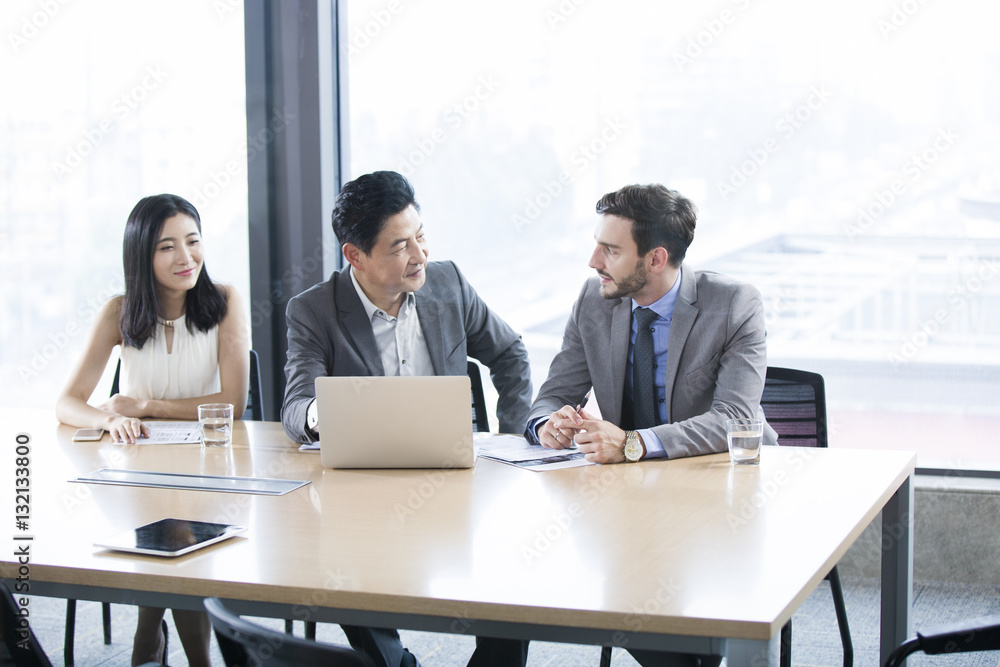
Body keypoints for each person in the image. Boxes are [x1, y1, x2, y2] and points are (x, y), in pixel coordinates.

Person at [281, 170, 532, 667]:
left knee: (514, 567)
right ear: (355, 255)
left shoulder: (449, 283)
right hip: (362, 493)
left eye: (420, 236)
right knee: (340, 568)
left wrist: (512, 436)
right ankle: (398, 664)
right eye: (399, 246)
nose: (419, 255)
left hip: (456, 479)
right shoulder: (313, 312)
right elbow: (294, 408)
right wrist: (322, 414)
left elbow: (510, 353)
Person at [525, 183, 776, 667]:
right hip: (629, 508)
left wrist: (636, 443)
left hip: (720, 499)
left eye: (611, 250)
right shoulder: (594, 300)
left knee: (698, 621)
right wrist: (546, 425)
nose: (594, 260)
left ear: (656, 258)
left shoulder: (733, 305)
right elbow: (553, 395)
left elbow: (736, 418)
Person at [56, 194, 249, 667]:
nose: (186, 258)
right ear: (142, 254)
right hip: (138, 467)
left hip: (208, 466)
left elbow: (232, 404)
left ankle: (148, 641)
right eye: (167, 247)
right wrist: (112, 418)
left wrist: (144, 405)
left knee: (177, 533)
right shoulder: (119, 312)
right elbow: (66, 403)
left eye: (193, 241)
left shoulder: (224, 300)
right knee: (173, 534)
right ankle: (189, 657)